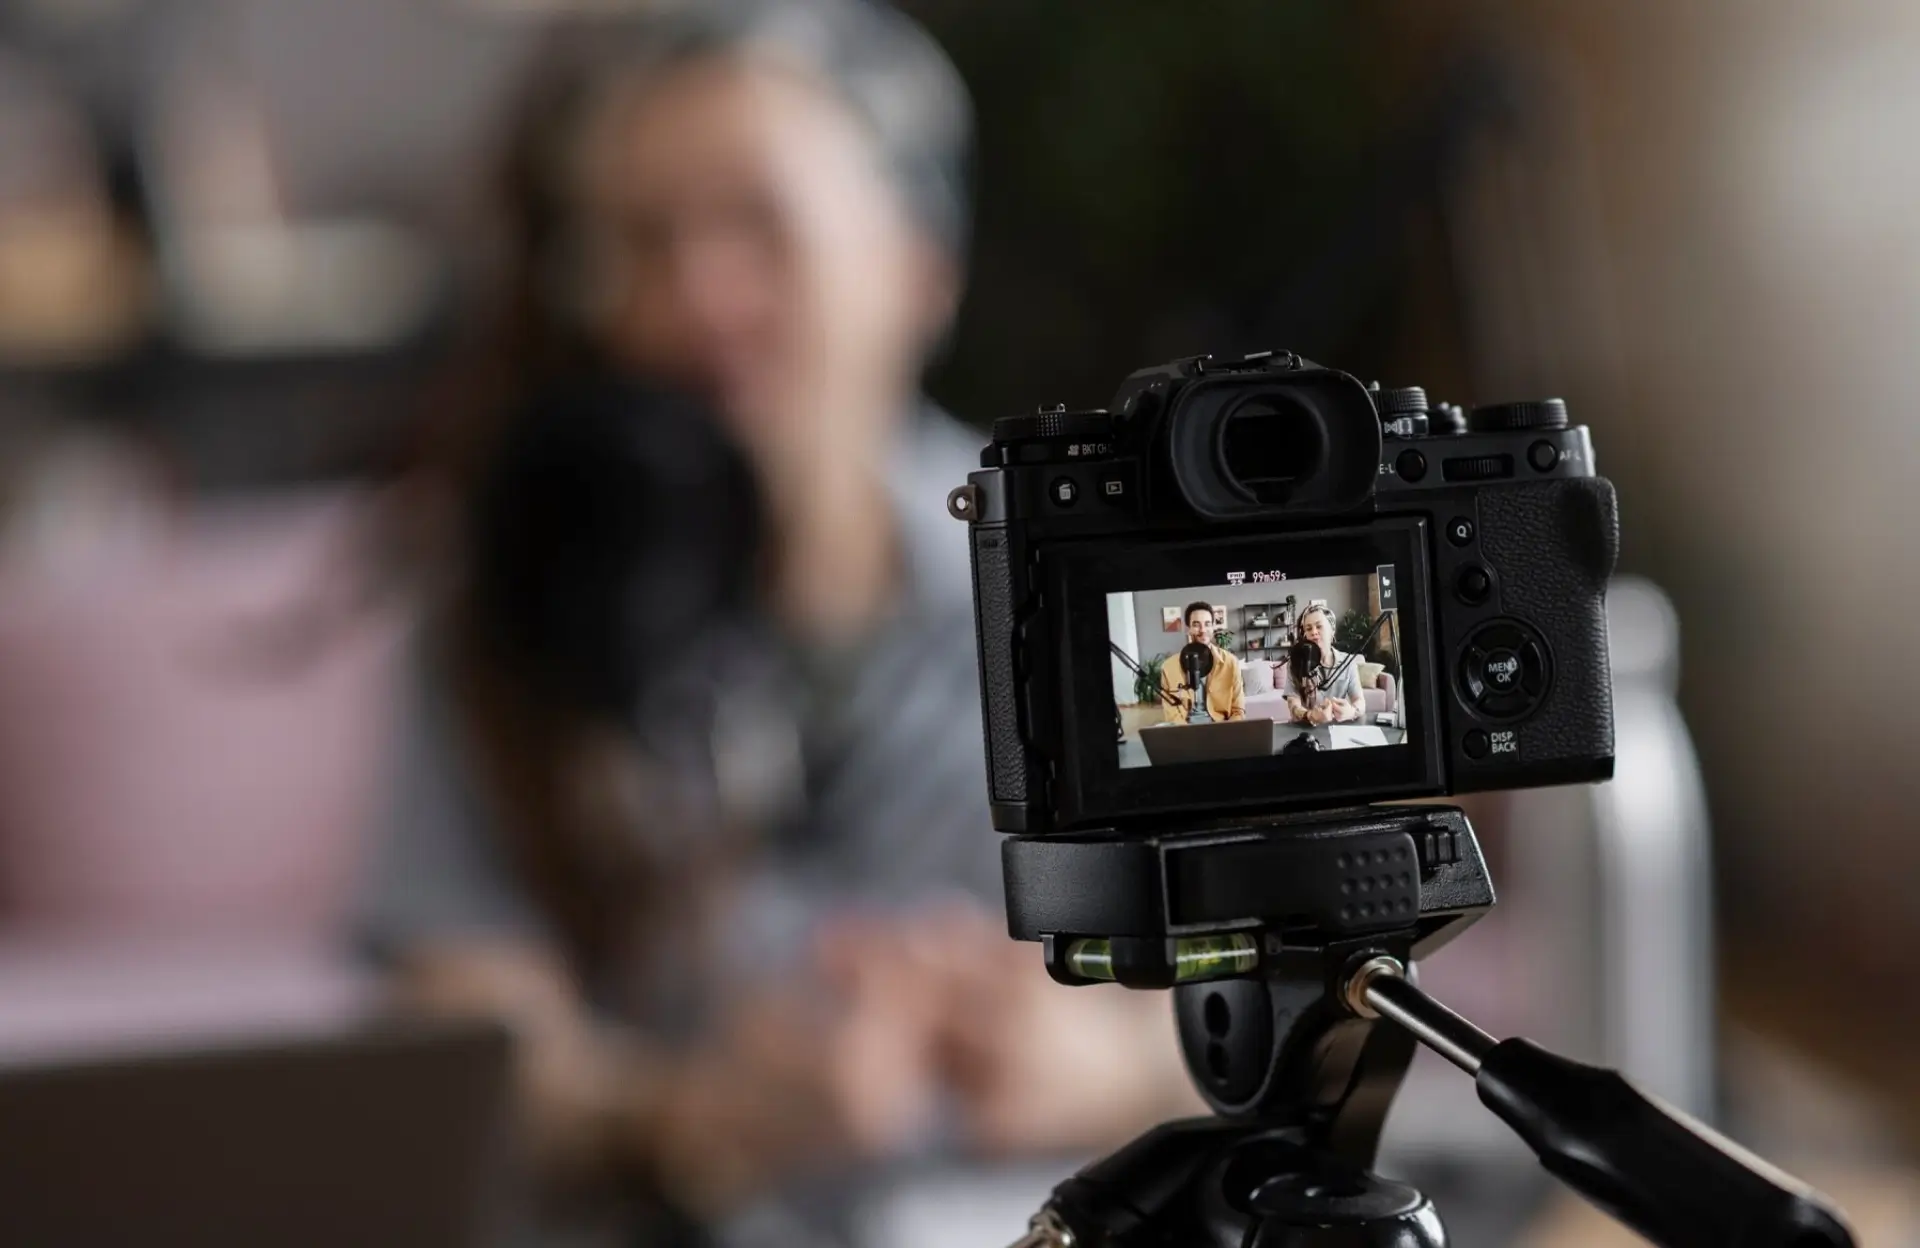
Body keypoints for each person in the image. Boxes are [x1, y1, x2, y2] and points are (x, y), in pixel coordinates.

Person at [362, 2, 1198, 1241]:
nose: (698, 295)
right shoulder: (511, 603)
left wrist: (1112, 1063)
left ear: (920, 266)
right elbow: (462, 1010)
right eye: (644, 244)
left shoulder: (1105, 586)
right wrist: (672, 1112)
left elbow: (1332, 1001)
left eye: (759, 223)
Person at [1160, 602, 1244, 723]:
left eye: (1207, 624)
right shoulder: (1168, 668)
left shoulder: (1231, 663)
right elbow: (1173, 717)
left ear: (1213, 627)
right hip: (1186, 733)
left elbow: (1238, 711)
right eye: (1196, 624)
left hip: (1221, 729)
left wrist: (1228, 734)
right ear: (1188, 628)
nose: (1203, 630)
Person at [1283, 603, 1366, 725]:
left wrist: (1352, 711)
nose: (1314, 632)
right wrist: (1310, 715)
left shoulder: (1348, 663)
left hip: (1336, 729)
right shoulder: (1295, 663)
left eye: (1319, 626)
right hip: (1304, 729)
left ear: (1332, 630)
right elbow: (1293, 705)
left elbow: (1360, 701)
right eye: (1308, 628)